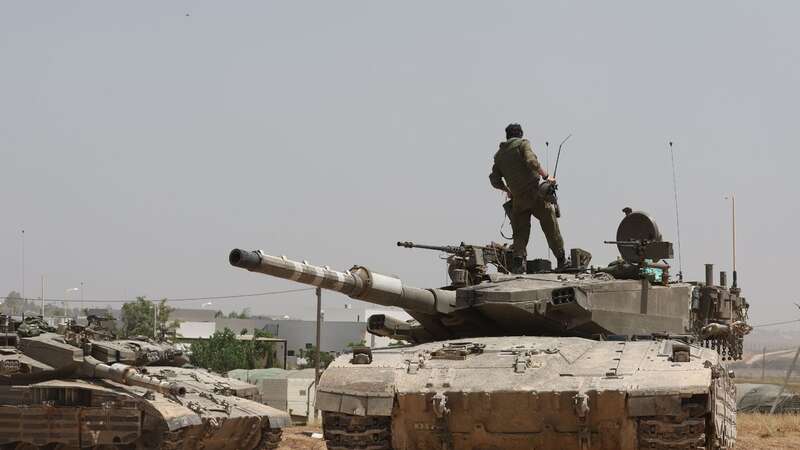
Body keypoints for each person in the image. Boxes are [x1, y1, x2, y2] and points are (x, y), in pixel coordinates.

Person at [489, 123, 566, 272]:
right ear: (520, 134)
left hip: (518, 200)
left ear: (507, 136)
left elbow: (494, 180)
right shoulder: (523, 144)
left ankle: (518, 265)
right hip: (535, 194)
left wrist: (507, 190)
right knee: (550, 225)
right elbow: (531, 161)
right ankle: (562, 260)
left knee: (520, 233)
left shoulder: (499, 156)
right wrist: (546, 176)